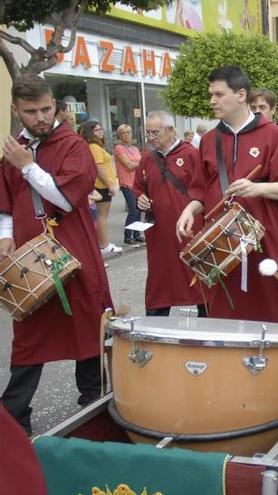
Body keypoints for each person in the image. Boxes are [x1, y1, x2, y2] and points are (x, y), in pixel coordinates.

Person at [0, 74, 115, 435]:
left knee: (86, 329)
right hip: (31, 260)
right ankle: (15, 422)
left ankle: (93, 409)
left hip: (74, 254)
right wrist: (4, 236)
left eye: (46, 108)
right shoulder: (14, 149)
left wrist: (28, 166)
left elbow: (67, 198)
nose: (40, 117)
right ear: (16, 110)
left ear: (55, 106)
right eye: (31, 111)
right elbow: (4, 202)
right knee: (29, 335)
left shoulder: (73, 145)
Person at [175, 65, 278, 325]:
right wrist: (189, 210)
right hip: (224, 246)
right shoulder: (209, 139)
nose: (212, 100)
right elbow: (200, 189)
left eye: (219, 94)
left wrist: (258, 188)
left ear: (240, 95)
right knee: (227, 314)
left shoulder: (273, 135)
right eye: (211, 95)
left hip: (266, 242)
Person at [134, 111, 207, 317]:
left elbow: (204, 189)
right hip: (159, 234)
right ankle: (155, 327)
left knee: (197, 275)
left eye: (155, 132)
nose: (150, 137)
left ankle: (208, 324)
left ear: (171, 130)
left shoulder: (192, 154)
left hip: (190, 230)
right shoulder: (147, 159)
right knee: (160, 279)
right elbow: (138, 187)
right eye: (147, 132)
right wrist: (140, 199)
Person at [80, 120, 122, 255]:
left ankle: (102, 244)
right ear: (90, 133)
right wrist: (110, 184)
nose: (100, 132)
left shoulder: (96, 146)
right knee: (102, 216)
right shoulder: (94, 147)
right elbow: (98, 167)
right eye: (96, 130)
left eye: (100, 129)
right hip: (101, 185)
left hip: (103, 185)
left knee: (101, 216)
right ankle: (104, 244)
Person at [113, 123, 143, 245]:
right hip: (126, 182)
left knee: (140, 209)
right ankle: (127, 236)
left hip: (137, 182)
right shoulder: (119, 148)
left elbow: (139, 164)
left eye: (128, 132)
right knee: (133, 210)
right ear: (119, 135)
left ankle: (137, 234)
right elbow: (128, 165)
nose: (126, 135)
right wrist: (139, 163)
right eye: (123, 133)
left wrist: (137, 164)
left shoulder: (135, 149)